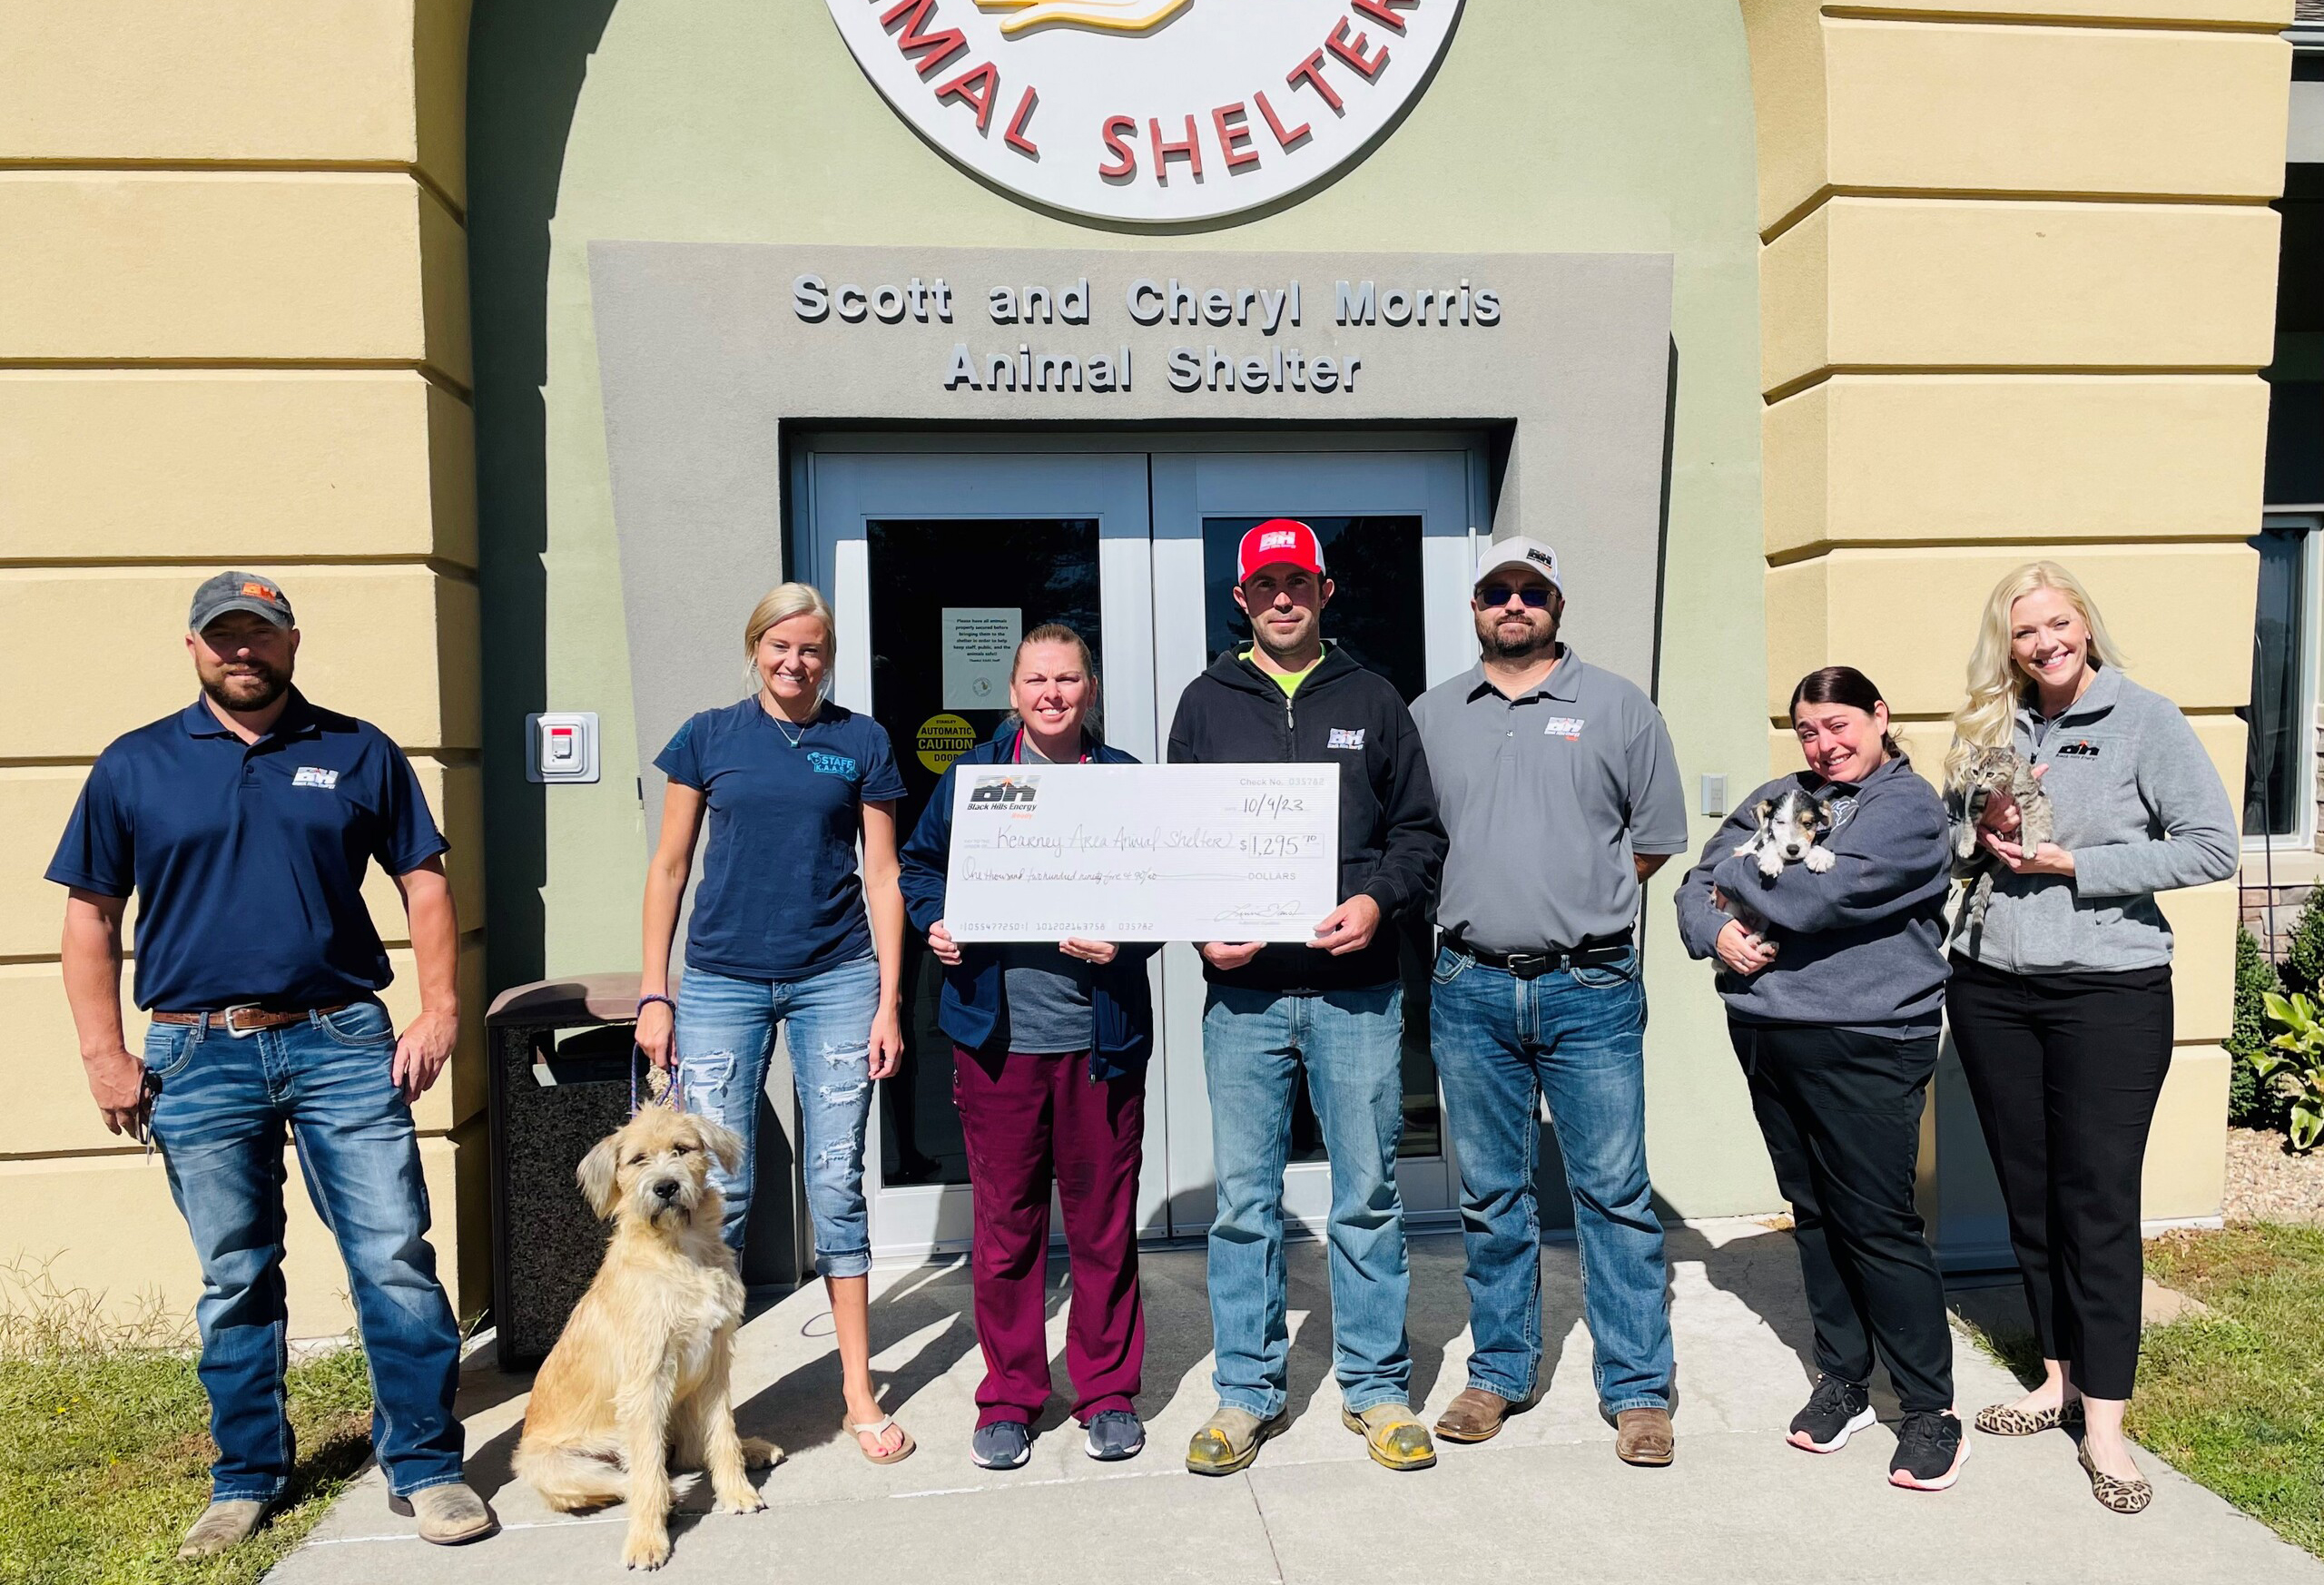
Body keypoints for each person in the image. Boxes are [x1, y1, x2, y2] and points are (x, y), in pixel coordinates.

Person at [49, 573, 493, 1556]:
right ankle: (246, 1476)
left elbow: (423, 877)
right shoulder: (136, 764)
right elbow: (90, 914)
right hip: (194, 1053)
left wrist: (439, 1009)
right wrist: (103, 1054)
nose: (241, 652)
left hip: (340, 1040)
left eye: (261, 635)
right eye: (224, 637)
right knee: (236, 1276)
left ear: (292, 643)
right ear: (195, 647)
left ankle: (424, 1466)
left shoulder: (358, 750)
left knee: (394, 1259)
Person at [1942, 562, 2237, 1515]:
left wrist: (2080, 863)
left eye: (2058, 623)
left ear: (2086, 627)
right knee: (2029, 1198)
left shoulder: (2144, 720)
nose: (2044, 643)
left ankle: (2104, 1422)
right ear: (2009, 646)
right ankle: (2056, 1377)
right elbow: (1951, 845)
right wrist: (1972, 832)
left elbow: (2210, 845)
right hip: (1992, 990)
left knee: (2096, 1203)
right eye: (2025, 632)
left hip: (2107, 992)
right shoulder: (1995, 726)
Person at [1166, 518, 1448, 1476]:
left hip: (1355, 995)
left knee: (1365, 1198)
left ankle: (1375, 1386)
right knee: (1245, 1205)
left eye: (1299, 584)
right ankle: (1245, 1392)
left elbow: (1419, 834)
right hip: (1243, 1001)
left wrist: (1376, 900)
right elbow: (1182, 842)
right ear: (1240, 599)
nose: (1282, 599)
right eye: (1265, 586)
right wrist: (1204, 922)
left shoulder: (1373, 698)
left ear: (1325, 593)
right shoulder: (1205, 704)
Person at [1409, 536, 1689, 1464]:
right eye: (1497, 591)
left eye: (1533, 591)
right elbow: (1412, 841)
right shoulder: (1432, 714)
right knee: (1493, 1195)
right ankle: (1498, 1373)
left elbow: (1650, 841)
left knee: (1611, 1193)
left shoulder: (1617, 707)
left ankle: (1639, 1391)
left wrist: (1575, 895)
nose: (1514, 604)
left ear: (1558, 605)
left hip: (1589, 985)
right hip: (1469, 984)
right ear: (1476, 606)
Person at [635, 583, 915, 1465]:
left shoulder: (859, 741)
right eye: (780, 647)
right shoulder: (708, 737)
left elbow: (881, 875)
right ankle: (696, 1410)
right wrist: (656, 992)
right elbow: (670, 868)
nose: (795, 662)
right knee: (723, 1192)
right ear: (755, 646)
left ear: (827, 655)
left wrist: (887, 1000)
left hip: (836, 979)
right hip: (720, 983)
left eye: (811, 650)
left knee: (833, 1185)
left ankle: (858, 1394)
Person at [1674, 666, 1970, 1492]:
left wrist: (1736, 877)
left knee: (1876, 1220)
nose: (1825, 745)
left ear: (1880, 717)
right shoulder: (1779, 794)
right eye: (1809, 731)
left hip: (1869, 1037)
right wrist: (1718, 936)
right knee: (1813, 1212)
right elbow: (1693, 886)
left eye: (1840, 725)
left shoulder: (1908, 809)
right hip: (1769, 1029)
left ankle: (1928, 1409)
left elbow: (1816, 898)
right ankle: (1845, 1375)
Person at [899, 625, 1159, 1471]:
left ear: (1090, 689)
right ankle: (1009, 1396)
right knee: (1006, 1231)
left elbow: (1163, 892)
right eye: (1036, 680)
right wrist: (932, 921)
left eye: (1068, 679)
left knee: (1101, 1226)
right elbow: (919, 866)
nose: (1052, 693)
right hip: (999, 1043)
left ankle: (1108, 1391)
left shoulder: (1122, 780)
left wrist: (1126, 941)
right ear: (1012, 692)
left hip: (1099, 1044)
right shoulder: (977, 778)